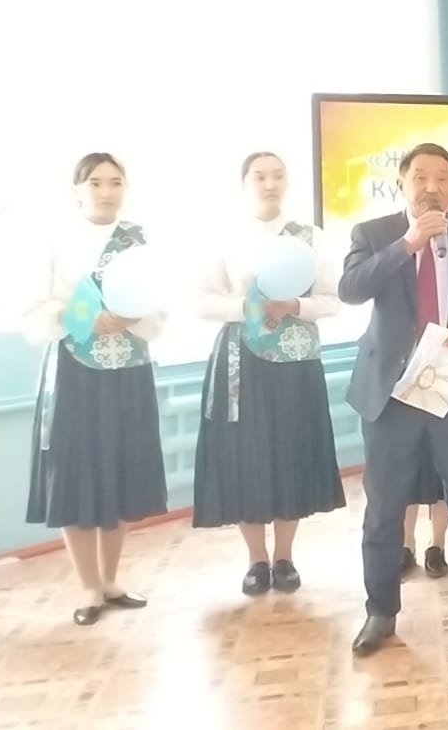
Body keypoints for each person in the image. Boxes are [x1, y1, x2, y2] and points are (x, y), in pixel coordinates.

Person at [338, 142, 448, 656]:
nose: (431, 187)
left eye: (442, 178)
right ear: (402, 184)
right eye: (420, 177)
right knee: (383, 509)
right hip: (391, 393)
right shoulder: (374, 233)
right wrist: (408, 243)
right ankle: (380, 611)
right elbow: (350, 288)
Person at [23, 153, 168, 626]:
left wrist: (132, 318)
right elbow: (34, 307)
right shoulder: (55, 239)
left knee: (120, 467)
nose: (106, 192)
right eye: (96, 183)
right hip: (75, 370)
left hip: (128, 366)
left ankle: (110, 579)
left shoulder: (139, 240)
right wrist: (85, 318)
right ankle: (87, 584)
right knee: (77, 470)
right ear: (77, 190)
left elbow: (160, 304)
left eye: (115, 182)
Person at [192, 152, 346, 596]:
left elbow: (333, 300)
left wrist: (293, 305)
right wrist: (248, 306)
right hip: (241, 361)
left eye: (278, 175)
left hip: (296, 361)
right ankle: (255, 559)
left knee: (291, 452)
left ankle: (285, 557)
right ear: (245, 184)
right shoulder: (227, 236)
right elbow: (201, 301)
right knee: (246, 456)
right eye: (259, 176)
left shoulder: (310, 237)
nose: (269, 184)